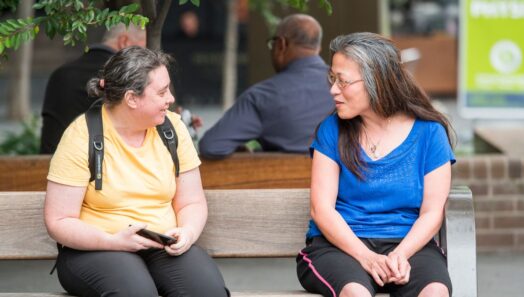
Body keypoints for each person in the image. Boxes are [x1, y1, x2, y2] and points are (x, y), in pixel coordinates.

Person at [43, 46, 229, 297]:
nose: (171, 99)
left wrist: (187, 232)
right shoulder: (82, 135)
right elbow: (59, 220)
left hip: (161, 244)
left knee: (207, 292)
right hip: (96, 248)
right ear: (132, 98)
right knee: (136, 293)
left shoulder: (172, 129)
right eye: (162, 92)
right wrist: (112, 241)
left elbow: (192, 201)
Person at [296, 32, 455, 297]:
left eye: (343, 81)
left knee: (435, 292)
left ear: (377, 82)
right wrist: (367, 257)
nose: (333, 89)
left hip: (409, 245)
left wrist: (399, 255)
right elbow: (321, 209)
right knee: (356, 293)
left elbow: (432, 212)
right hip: (341, 247)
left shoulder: (430, 133)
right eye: (332, 79)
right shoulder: (331, 130)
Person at [198, 14, 334, 159]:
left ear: (281, 44)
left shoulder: (262, 96)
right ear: (318, 48)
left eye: (272, 43)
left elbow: (211, 146)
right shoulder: (345, 86)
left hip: (285, 181)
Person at [40, 24, 147, 154]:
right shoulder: (126, 76)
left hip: (50, 162)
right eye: (142, 49)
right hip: (99, 166)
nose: (145, 60)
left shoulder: (60, 73)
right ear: (123, 41)